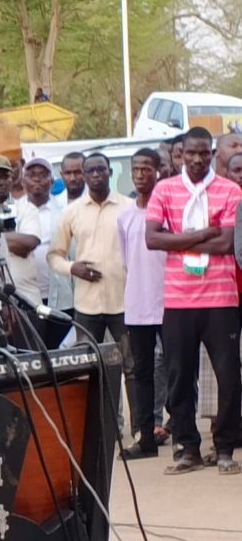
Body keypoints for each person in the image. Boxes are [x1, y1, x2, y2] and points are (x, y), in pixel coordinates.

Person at [146, 127, 242, 475]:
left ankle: (226, 447)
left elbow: (225, 245)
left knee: (229, 376)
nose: (198, 160)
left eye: (204, 153)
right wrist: (202, 233)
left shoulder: (230, 191)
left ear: (213, 152)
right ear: (180, 154)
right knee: (178, 376)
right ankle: (188, 448)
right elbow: (152, 239)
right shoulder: (164, 190)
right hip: (178, 300)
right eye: (191, 153)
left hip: (221, 299)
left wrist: (178, 239)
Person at [48, 153, 137, 436]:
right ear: (84, 176)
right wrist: (73, 268)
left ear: (111, 172)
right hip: (87, 304)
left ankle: (138, 431)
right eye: (90, 171)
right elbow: (54, 255)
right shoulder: (72, 212)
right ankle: (98, 431)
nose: (96, 174)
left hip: (123, 301)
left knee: (130, 368)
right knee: (89, 369)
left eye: (101, 169)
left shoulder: (128, 207)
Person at [117, 149, 168, 459]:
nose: (140, 174)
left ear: (158, 171)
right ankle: (145, 436)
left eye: (146, 168)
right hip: (137, 304)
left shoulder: (167, 212)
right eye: (135, 169)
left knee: (177, 370)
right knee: (141, 374)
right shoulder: (124, 216)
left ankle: (181, 434)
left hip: (170, 303)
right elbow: (127, 260)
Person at [0, 154, 42, 344]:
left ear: (12, 178)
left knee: (33, 363)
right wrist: (11, 240)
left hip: (25, 299)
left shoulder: (26, 209)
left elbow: (28, 244)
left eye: (4, 176)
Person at [21, 157, 74, 349]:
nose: (37, 180)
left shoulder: (64, 212)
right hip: (25, 296)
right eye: (32, 175)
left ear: (51, 182)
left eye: (43, 176)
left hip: (59, 295)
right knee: (31, 350)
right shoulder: (14, 211)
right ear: (23, 181)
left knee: (56, 349)